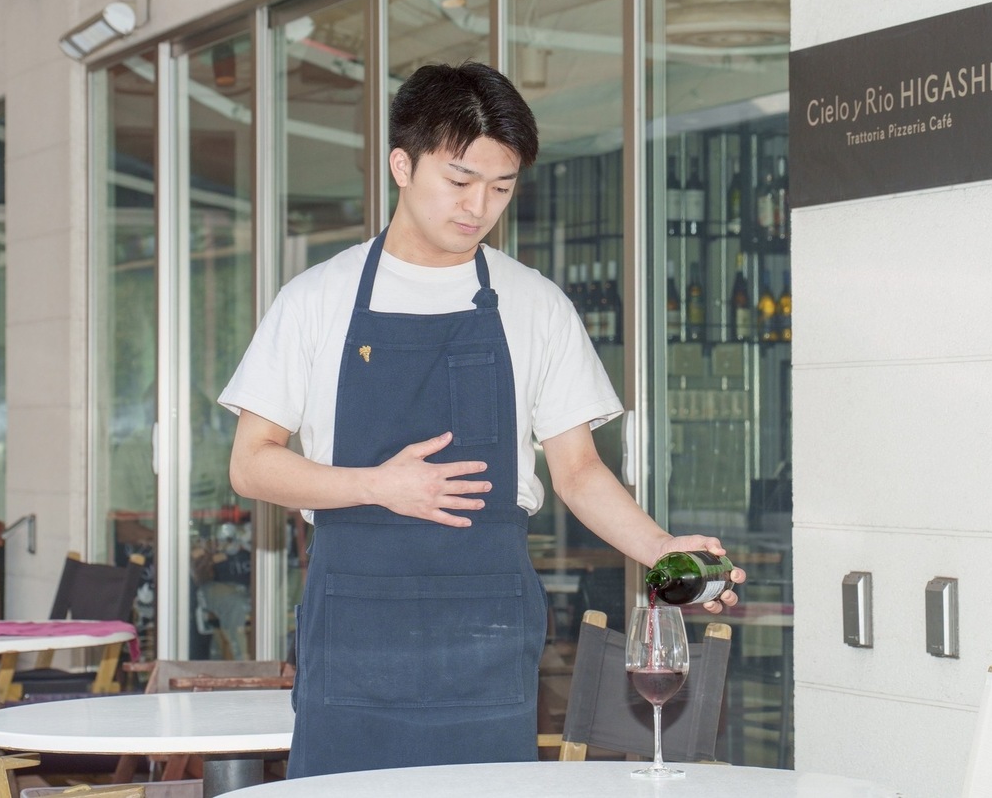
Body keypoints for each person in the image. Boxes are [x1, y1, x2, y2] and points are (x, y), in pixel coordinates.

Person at [218, 61, 746, 778]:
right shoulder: (317, 298)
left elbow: (578, 470)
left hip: (487, 631)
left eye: (501, 187)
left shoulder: (536, 304)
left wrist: (661, 548)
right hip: (356, 627)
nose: (479, 206)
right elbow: (251, 462)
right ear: (402, 166)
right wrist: (377, 485)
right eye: (460, 181)